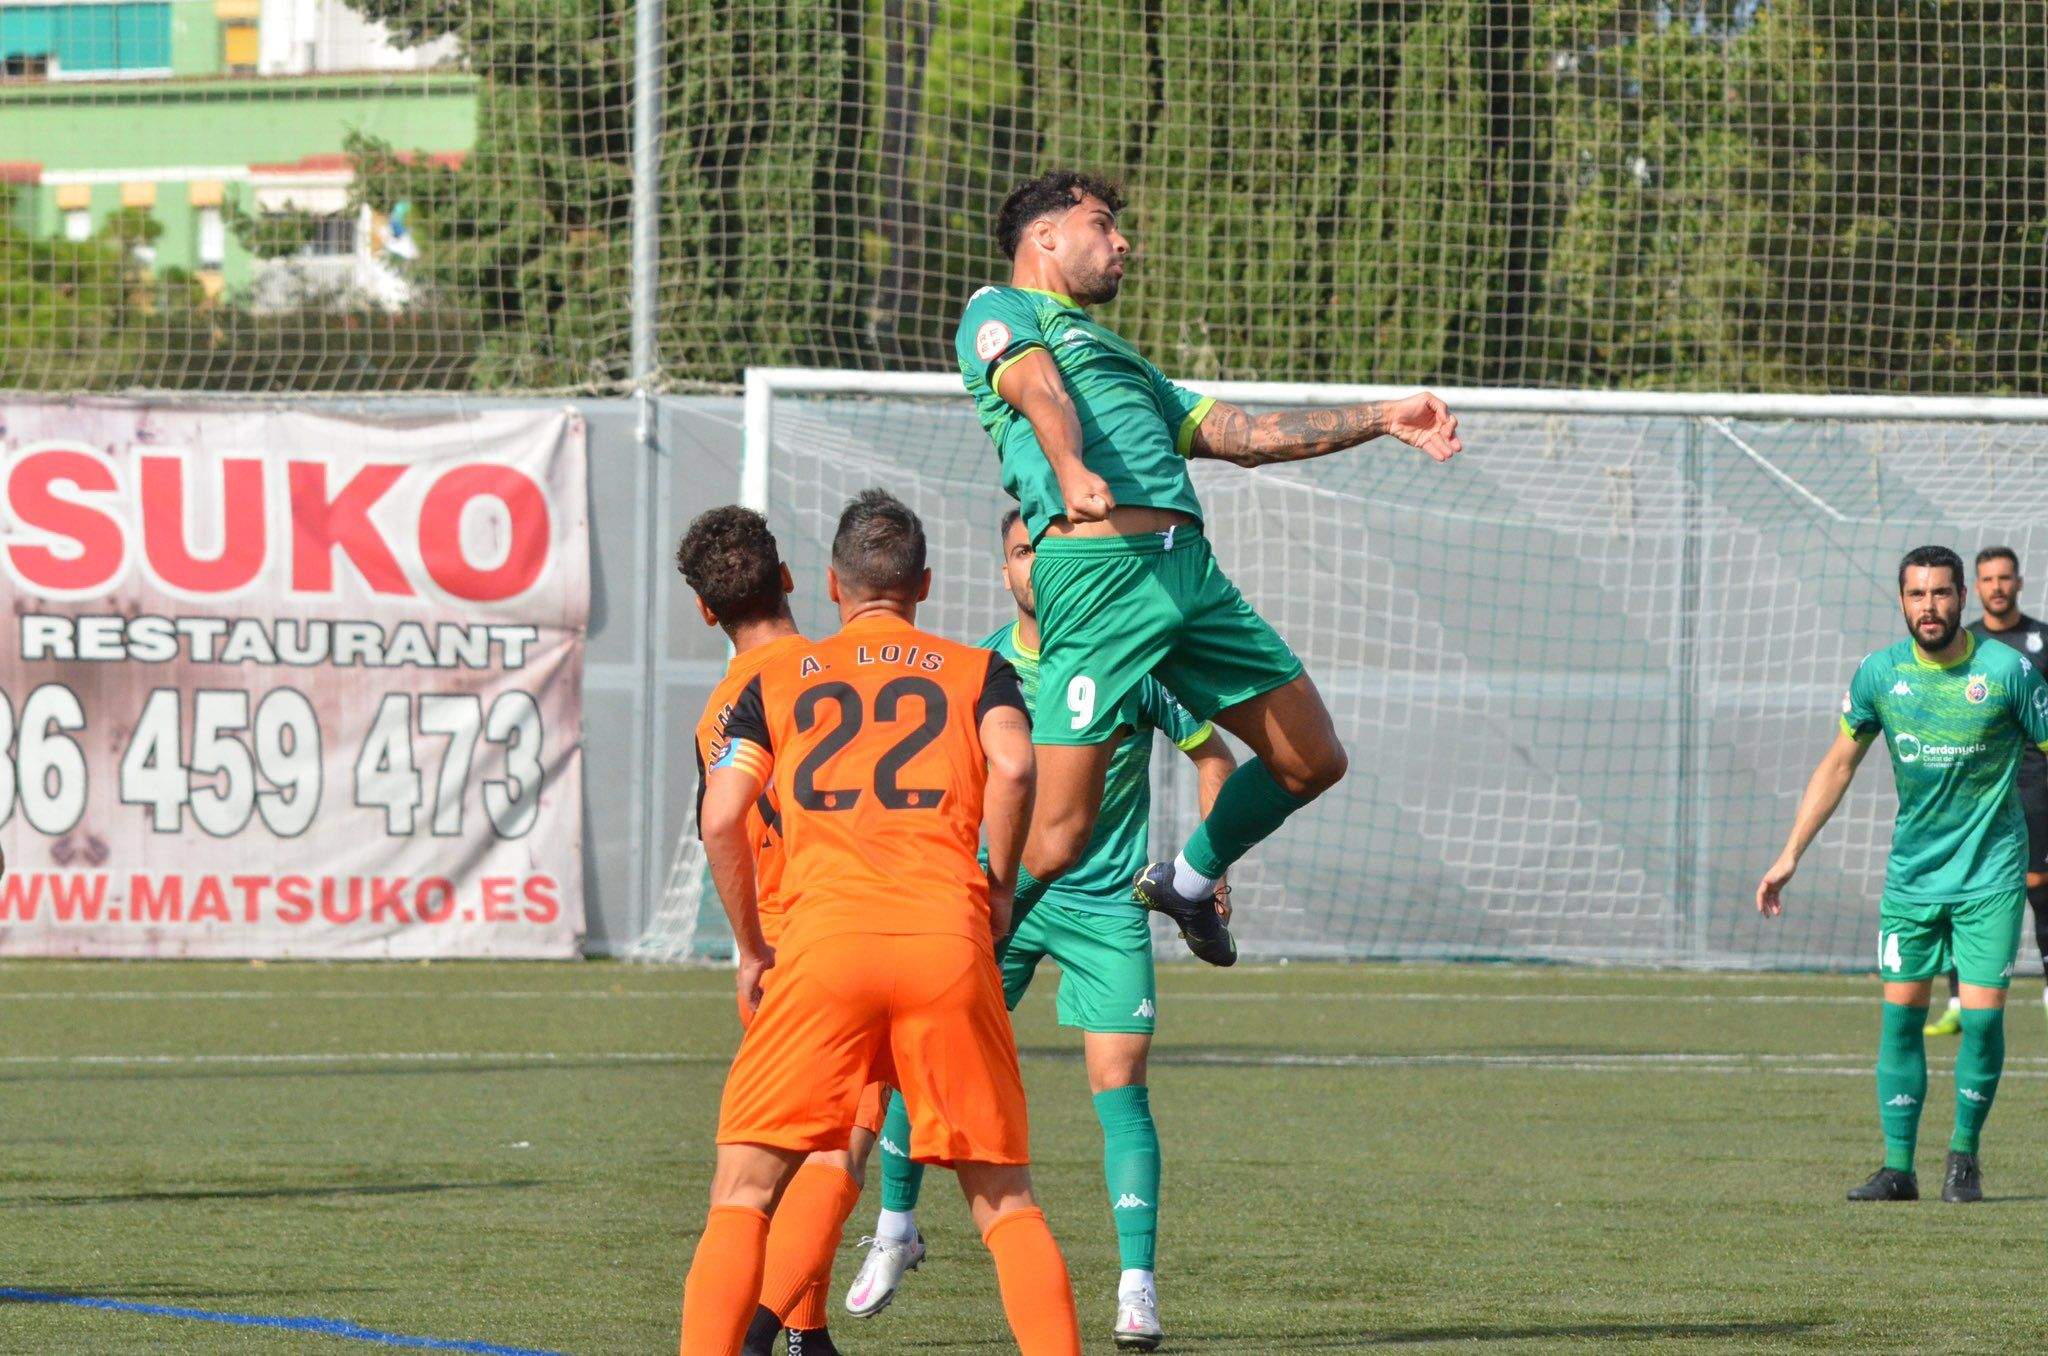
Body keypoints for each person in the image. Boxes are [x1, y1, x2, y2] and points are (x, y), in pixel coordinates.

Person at [955, 170, 1461, 964]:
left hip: (1188, 575)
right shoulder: (1002, 309)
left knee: (1312, 759)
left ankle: (1187, 884)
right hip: (1098, 582)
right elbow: (1037, 387)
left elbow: (1247, 436)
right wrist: (1071, 466)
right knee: (1055, 841)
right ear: (1044, 235)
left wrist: (1384, 415)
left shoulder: (1129, 361)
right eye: (1102, 224)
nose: (1122, 241)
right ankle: (935, 932)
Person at [679, 490, 1082, 1355]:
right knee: (1007, 1206)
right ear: (925, 584)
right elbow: (1014, 766)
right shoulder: (976, 671)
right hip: (946, 937)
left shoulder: (777, 681)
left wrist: (751, 947)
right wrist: (1000, 887)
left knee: (744, 1193)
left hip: (820, 947)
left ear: (829, 585)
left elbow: (722, 818)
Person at [846, 509, 1237, 1350]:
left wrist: (1211, 865)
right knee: (925, 1055)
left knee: (1121, 1089)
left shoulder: (1128, 658)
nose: (1037, 565)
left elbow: (1215, 757)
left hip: (1107, 909)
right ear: (1005, 569)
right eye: (1024, 551)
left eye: (1050, 550)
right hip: (1007, 896)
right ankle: (895, 1228)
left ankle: (1137, 1286)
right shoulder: (981, 669)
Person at [1757, 546, 2048, 1203]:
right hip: (1913, 878)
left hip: (1991, 877)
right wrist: (1790, 853)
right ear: (1901, 601)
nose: (1930, 607)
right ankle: (1897, 1169)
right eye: (1917, 595)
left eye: (1942, 594)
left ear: (1962, 600)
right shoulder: (1880, 675)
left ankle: (1964, 1158)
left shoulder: (2007, 672)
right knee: (1900, 1019)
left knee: (1979, 1021)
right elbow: (1838, 764)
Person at [674, 506, 879, 1356]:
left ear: (704, 611)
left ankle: (808, 1328)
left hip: (772, 945)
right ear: (793, 577)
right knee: (838, 1151)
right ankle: (762, 1334)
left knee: (775, 1159)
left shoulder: (717, 713)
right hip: (847, 933)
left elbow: (723, 821)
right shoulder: (839, 674)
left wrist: (747, 947)